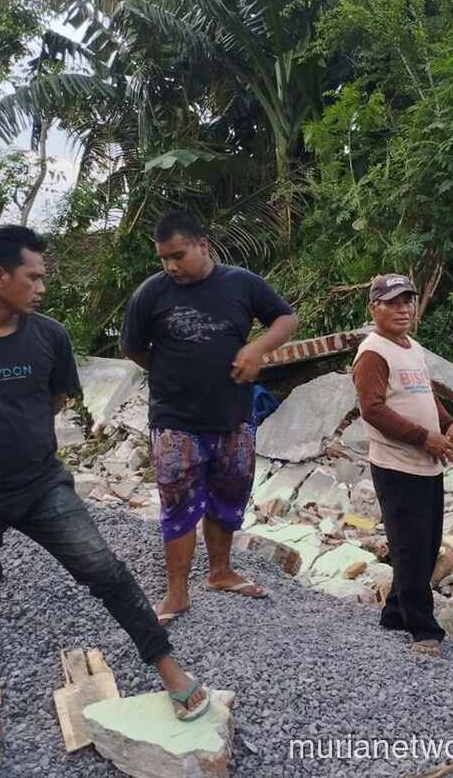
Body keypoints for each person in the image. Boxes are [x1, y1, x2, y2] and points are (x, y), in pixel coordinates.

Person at [0, 225, 209, 774]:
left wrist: (15, 440)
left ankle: (168, 669)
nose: (41, 287)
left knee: (106, 571)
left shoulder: (48, 336)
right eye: (33, 276)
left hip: (41, 486)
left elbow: (55, 398)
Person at [120, 212, 298, 622]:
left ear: (203, 244)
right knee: (178, 499)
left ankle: (220, 572)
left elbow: (286, 318)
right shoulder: (152, 293)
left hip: (233, 416)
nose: (170, 266)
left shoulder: (242, 283)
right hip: (175, 419)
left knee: (229, 493)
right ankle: (177, 593)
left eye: (178, 255)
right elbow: (133, 347)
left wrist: (258, 349)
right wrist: (172, 372)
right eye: (164, 258)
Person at [352, 274, 453, 657]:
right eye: (392, 302)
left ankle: (395, 612)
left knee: (427, 541)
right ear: (374, 309)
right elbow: (372, 410)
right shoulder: (373, 353)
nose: (402, 309)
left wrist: (449, 423)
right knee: (410, 548)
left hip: (427, 464)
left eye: (407, 301)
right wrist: (424, 437)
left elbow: (425, 395)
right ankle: (423, 629)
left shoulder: (411, 347)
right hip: (398, 464)